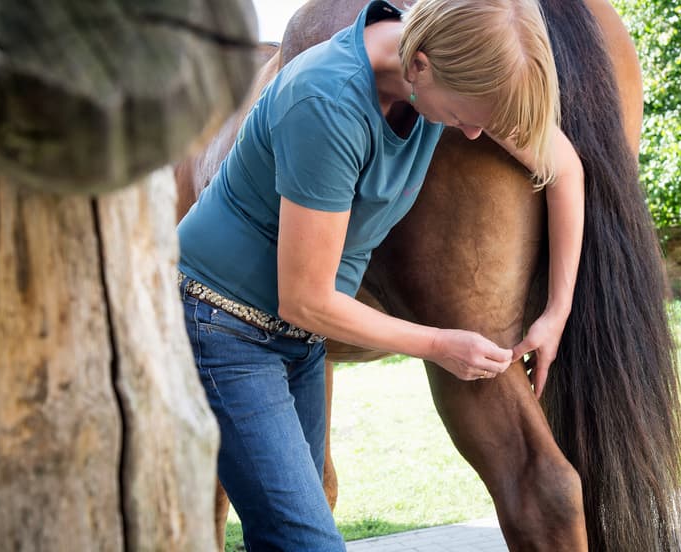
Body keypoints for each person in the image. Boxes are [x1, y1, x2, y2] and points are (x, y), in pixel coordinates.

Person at [176, 0, 584, 549]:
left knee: (291, 535)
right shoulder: (326, 101)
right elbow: (306, 298)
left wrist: (556, 312)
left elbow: (563, 168)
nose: (471, 133)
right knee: (306, 541)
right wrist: (439, 344)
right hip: (222, 326)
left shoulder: (440, 67)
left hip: (298, 337)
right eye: (464, 114)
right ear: (419, 65)